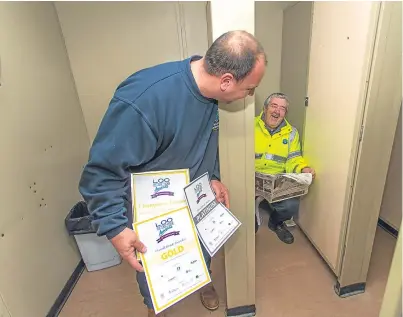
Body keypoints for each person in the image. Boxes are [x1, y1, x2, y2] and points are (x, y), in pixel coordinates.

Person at [79, 30, 267, 317]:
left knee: (202, 251)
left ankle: (203, 281)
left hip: (196, 196)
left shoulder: (213, 95)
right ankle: (157, 307)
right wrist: (114, 227)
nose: (250, 95)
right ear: (227, 81)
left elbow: (207, 139)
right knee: (155, 270)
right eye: (250, 89)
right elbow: (100, 173)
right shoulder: (144, 100)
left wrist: (213, 175)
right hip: (154, 206)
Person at [254, 92, 315, 244]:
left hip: (276, 181)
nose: (276, 111)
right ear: (265, 108)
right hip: (250, 178)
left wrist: (303, 169)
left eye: (282, 109)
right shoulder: (249, 125)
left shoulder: (292, 133)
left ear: (285, 113)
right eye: (274, 106)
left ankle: (275, 223)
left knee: (291, 206)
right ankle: (254, 210)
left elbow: (294, 158)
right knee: (250, 228)